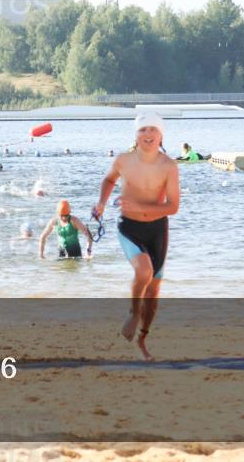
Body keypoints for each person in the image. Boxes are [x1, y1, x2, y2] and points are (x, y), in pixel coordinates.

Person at [95, 112, 179, 360]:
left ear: (161, 135)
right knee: (144, 272)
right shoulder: (124, 160)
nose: (148, 134)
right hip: (129, 228)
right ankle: (134, 312)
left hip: (157, 230)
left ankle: (142, 338)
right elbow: (109, 180)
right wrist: (101, 204)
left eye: (153, 130)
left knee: (153, 290)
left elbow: (173, 206)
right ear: (136, 135)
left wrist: (140, 207)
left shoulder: (169, 166)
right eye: (143, 130)